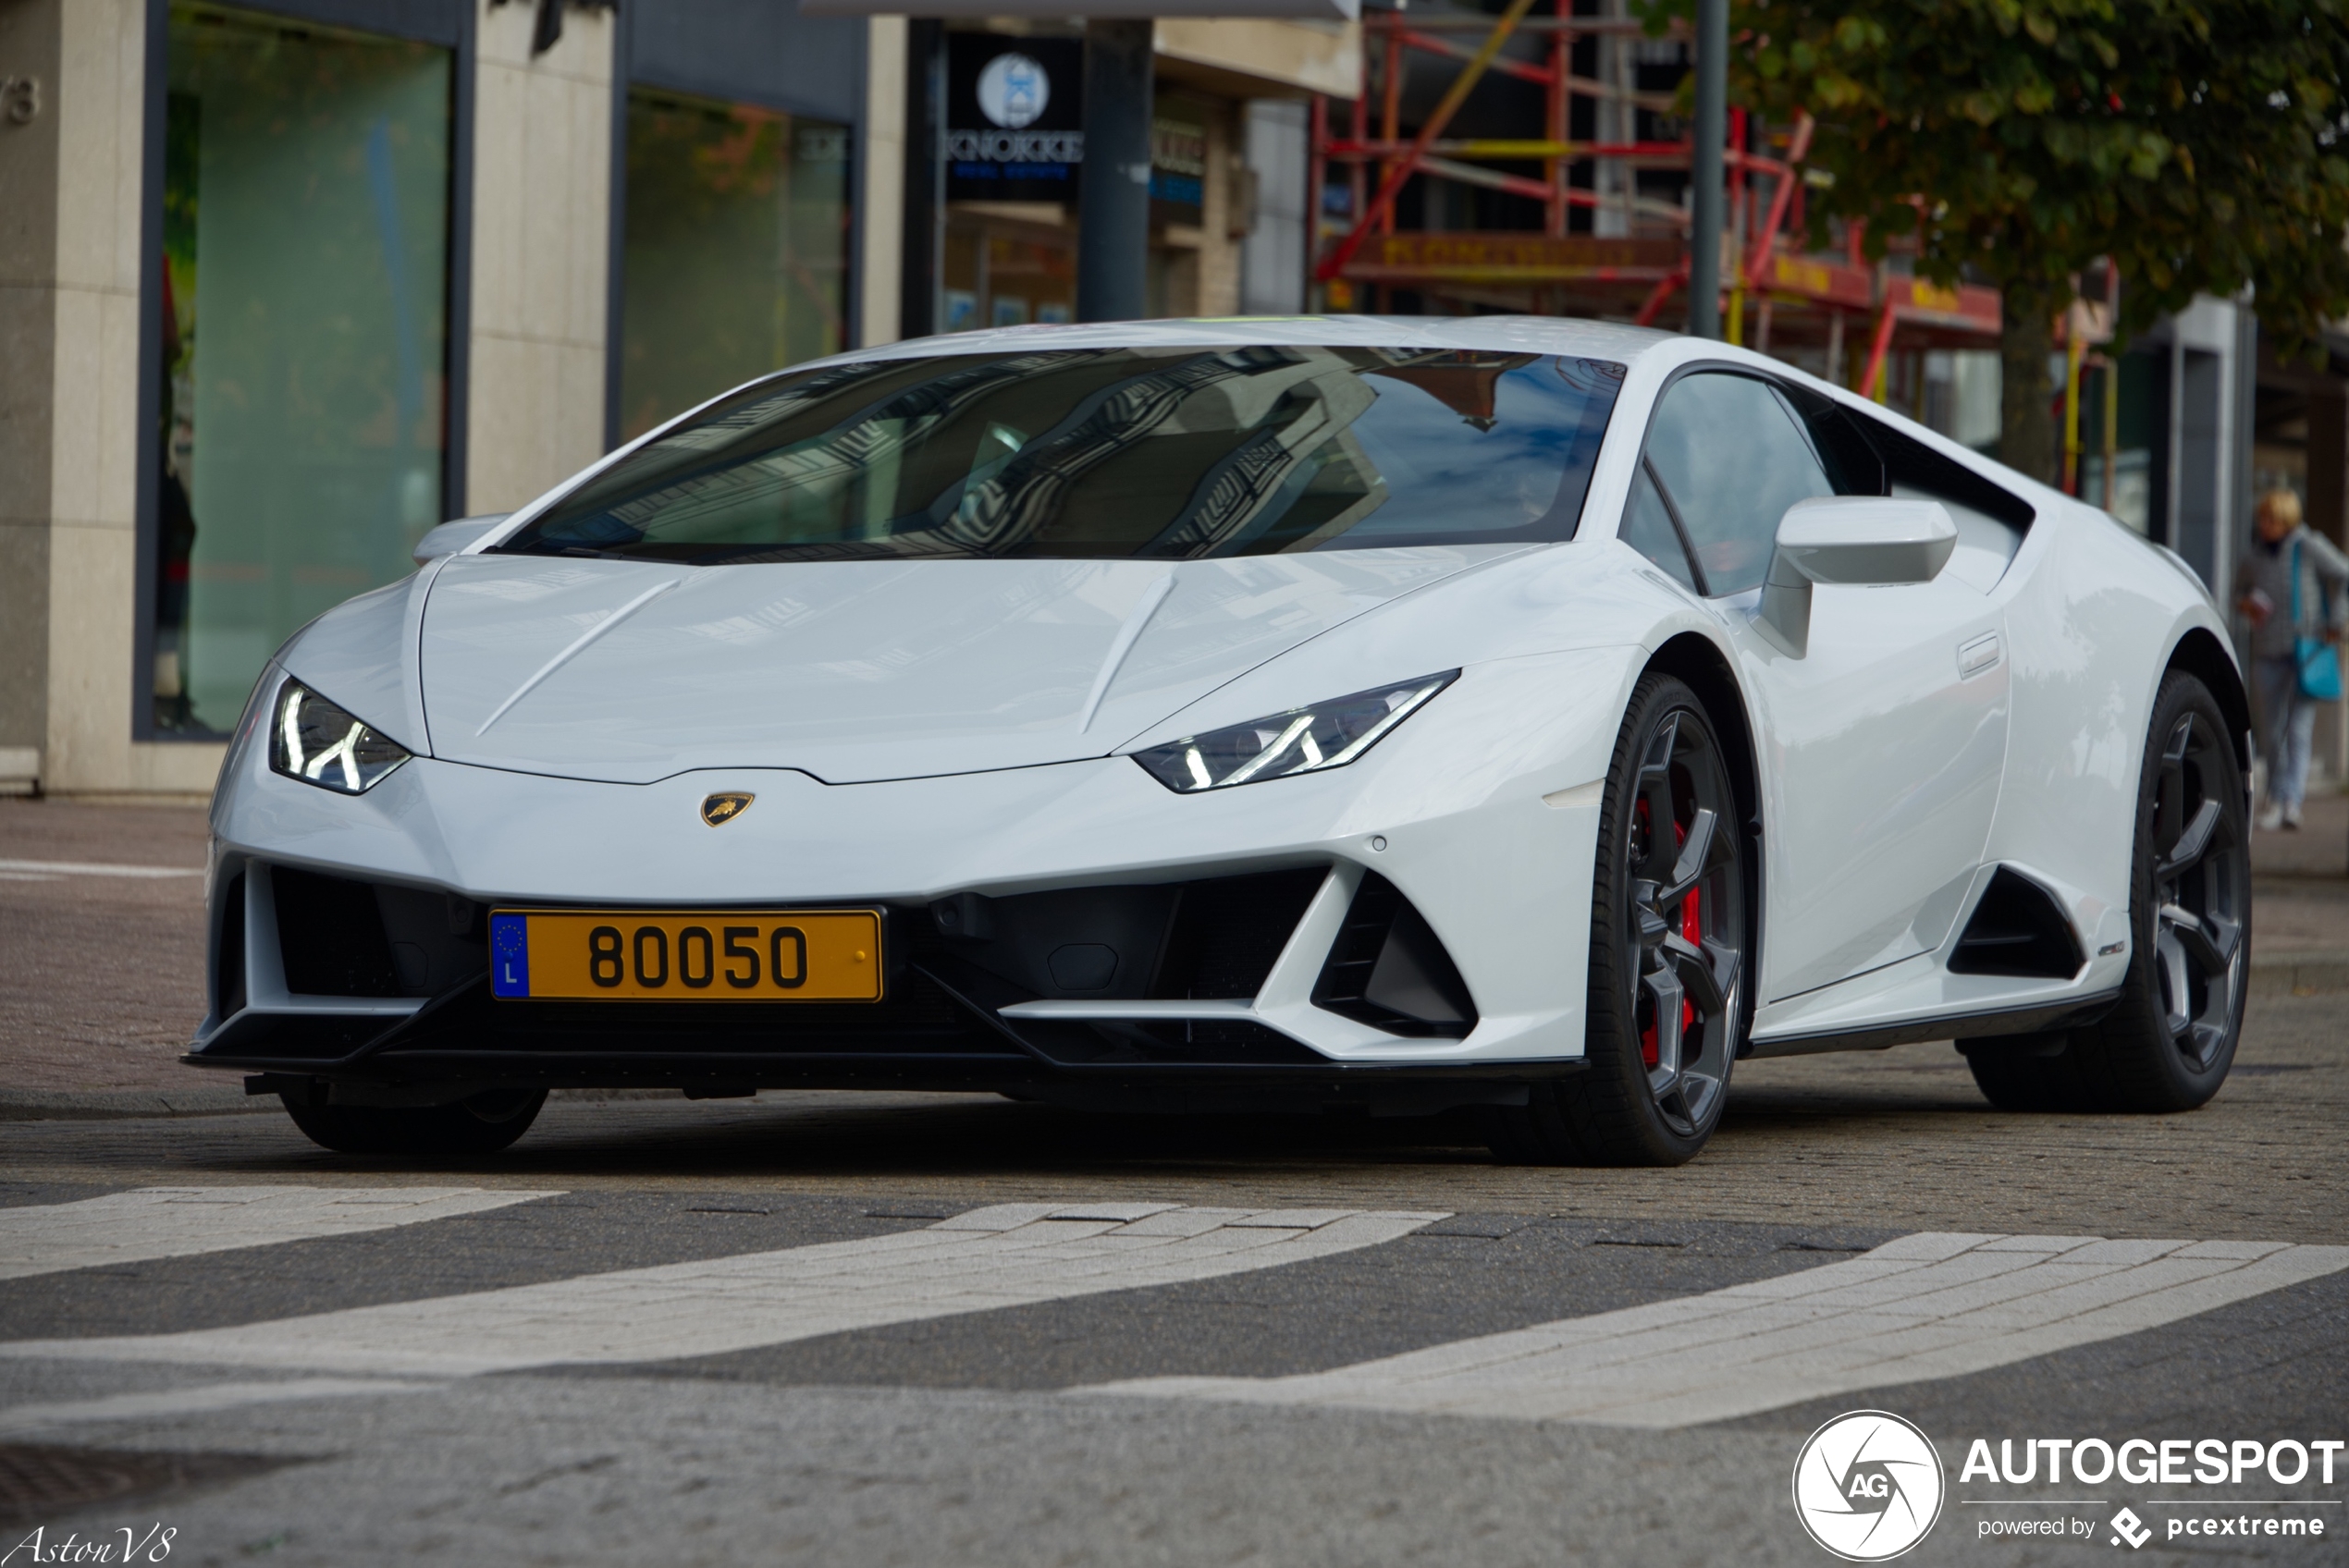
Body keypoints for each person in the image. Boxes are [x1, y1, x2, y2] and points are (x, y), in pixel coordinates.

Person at [2234, 488, 2349, 830]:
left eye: (2270, 517)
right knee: (2271, 733)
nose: (2264, 523)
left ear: (2285, 518)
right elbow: (2238, 592)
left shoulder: (2308, 545)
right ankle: (2274, 796)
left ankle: (2291, 803)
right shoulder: (2253, 556)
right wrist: (2247, 604)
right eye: (2262, 517)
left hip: (2306, 652)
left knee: (2298, 731)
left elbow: (2345, 574)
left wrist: (2336, 621)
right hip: (2268, 653)